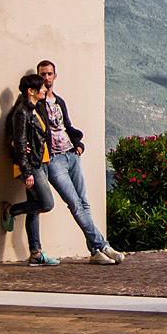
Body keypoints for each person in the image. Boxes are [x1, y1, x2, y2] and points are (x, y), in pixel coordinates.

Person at [34, 59, 124, 264]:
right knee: (74, 203)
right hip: (54, 160)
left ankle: (95, 252)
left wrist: (78, 144)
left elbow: (66, 126)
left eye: (49, 74)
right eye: (42, 74)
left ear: (55, 76)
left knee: (84, 202)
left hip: (71, 155)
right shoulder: (35, 104)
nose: (46, 78)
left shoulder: (59, 101)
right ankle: (102, 246)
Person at [2, 73, 61, 265]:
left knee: (34, 209)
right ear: (31, 91)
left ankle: (36, 254)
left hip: (41, 163)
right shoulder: (22, 112)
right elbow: (19, 141)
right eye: (42, 87)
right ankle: (11, 210)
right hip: (32, 166)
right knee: (46, 203)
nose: (45, 89)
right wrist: (26, 171)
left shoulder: (37, 109)